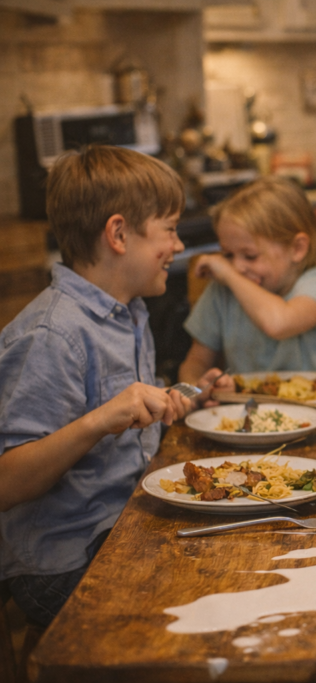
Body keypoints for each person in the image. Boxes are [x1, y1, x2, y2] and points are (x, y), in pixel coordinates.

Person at [0, 146, 223, 627]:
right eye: (170, 230)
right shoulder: (52, 335)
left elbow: (138, 407)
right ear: (119, 234)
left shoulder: (129, 311)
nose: (180, 246)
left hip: (124, 528)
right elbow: (7, 480)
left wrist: (189, 389)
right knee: (202, 617)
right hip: (65, 563)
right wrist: (98, 421)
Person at [179, 176, 316, 385]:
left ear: (297, 248)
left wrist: (228, 274)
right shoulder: (223, 290)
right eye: (228, 255)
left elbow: (279, 324)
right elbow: (195, 362)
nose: (237, 267)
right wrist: (197, 389)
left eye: (250, 256)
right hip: (250, 412)